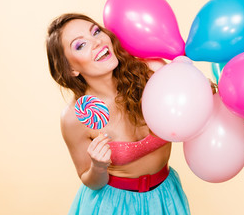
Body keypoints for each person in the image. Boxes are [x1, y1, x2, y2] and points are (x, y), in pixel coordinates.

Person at [46, 13, 191, 214]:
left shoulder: (152, 74)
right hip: (111, 205)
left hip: (164, 197)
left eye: (96, 31)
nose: (97, 42)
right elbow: (89, 181)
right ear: (70, 69)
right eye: (81, 45)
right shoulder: (74, 118)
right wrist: (97, 167)